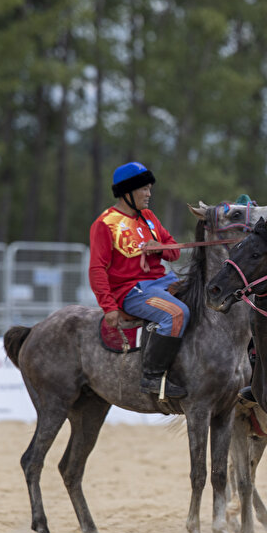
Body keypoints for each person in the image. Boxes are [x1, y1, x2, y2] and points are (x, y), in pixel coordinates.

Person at [89, 161, 189, 398]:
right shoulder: (105, 224)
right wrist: (108, 306)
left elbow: (174, 252)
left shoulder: (149, 217)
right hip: (131, 292)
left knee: (204, 295)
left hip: (162, 281)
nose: (149, 194)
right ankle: (153, 378)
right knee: (176, 313)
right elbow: (96, 268)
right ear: (127, 192)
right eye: (144, 189)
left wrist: (160, 247)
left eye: (149, 188)